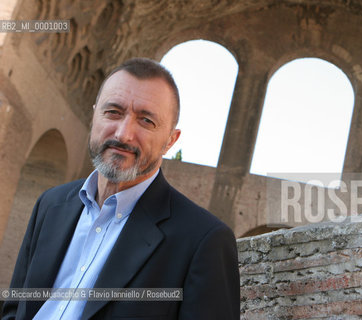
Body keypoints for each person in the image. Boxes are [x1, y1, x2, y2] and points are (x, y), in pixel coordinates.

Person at [1, 58, 240, 319]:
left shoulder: (203, 240)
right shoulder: (50, 204)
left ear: (170, 140)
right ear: (95, 116)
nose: (124, 134)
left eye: (146, 121)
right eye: (113, 112)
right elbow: (16, 310)